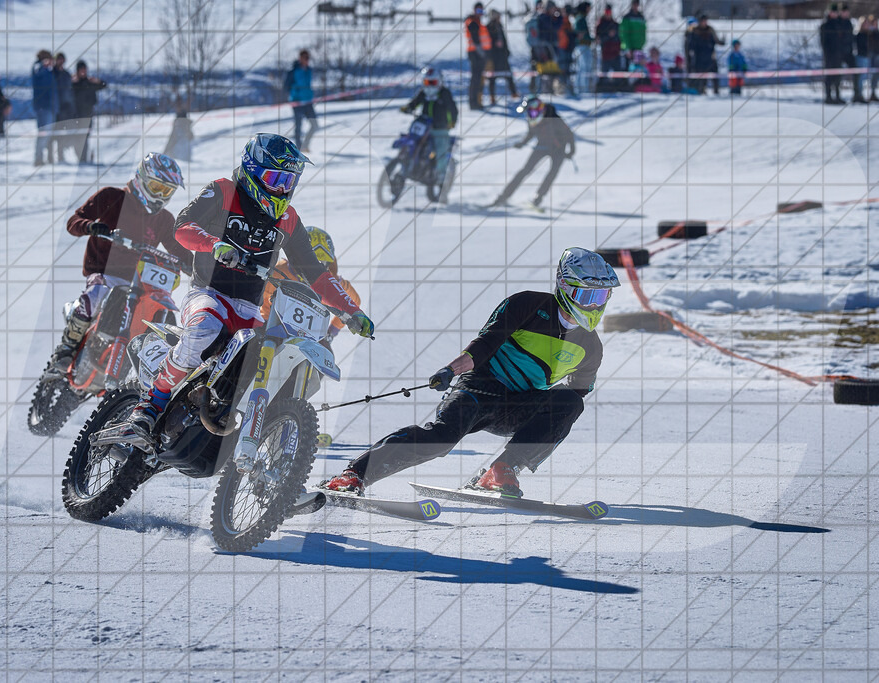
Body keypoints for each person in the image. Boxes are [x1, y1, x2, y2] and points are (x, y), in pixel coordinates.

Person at [119, 134, 374, 445]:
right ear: (253, 170)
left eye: (288, 181)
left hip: (250, 309)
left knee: (268, 355)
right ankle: (151, 404)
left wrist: (351, 310)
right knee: (204, 329)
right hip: (208, 293)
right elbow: (183, 227)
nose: (281, 189)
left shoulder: (288, 219)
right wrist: (215, 246)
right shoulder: (223, 191)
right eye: (275, 178)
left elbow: (316, 273)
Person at [321, 247, 620, 498]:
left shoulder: (591, 347)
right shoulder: (528, 304)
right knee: (440, 439)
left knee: (570, 403)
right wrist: (451, 370)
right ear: (566, 288)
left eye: (601, 297)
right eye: (587, 297)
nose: (594, 306)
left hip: (519, 407)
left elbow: (572, 400)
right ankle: (353, 475)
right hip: (480, 389)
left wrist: (545, 428)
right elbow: (484, 345)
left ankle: (501, 471)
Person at [47, 153, 191, 377]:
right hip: (105, 272)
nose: (160, 196)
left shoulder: (164, 219)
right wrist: (91, 226)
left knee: (157, 307)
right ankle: (66, 348)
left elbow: (178, 248)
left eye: (167, 191)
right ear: (141, 179)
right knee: (95, 295)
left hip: (140, 279)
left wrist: (196, 265)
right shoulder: (111, 198)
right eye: (156, 187)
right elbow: (73, 222)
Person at [259, 226, 361, 344]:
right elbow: (257, 295)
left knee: (326, 358)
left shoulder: (332, 284)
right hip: (271, 325)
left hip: (310, 335)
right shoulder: (279, 273)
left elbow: (354, 301)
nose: (313, 271)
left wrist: (332, 332)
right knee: (251, 351)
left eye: (321, 265)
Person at [490, 95, 575, 210]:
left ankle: (538, 198)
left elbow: (569, 134)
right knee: (525, 170)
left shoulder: (554, 118)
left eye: (533, 111)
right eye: (529, 111)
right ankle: (504, 196)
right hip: (542, 146)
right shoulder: (531, 119)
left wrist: (571, 151)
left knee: (552, 173)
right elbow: (531, 133)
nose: (531, 114)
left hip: (558, 149)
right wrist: (522, 143)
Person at [400, 66, 458, 194]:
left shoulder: (444, 93)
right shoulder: (423, 93)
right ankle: (406, 163)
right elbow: (415, 102)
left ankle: (441, 175)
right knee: (411, 140)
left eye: (432, 83)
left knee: (441, 150)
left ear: (439, 82)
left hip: (440, 127)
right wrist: (408, 108)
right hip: (423, 124)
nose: (429, 86)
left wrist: (452, 121)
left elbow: (452, 108)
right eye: (426, 82)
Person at [72, 60, 107, 163]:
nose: (83, 72)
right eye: (81, 70)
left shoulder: (89, 82)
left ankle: (83, 159)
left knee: (84, 137)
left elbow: (104, 85)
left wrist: (97, 81)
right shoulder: (74, 83)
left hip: (88, 114)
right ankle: (80, 157)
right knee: (76, 138)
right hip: (76, 115)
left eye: (84, 70)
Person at [284, 49, 319, 152]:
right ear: (300, 58)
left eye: (308, 58)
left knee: (314, 125)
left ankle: (305, 146)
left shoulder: (309, 70)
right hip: (297, 103)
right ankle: (299, 149)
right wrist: (295, 92)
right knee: (298, 126)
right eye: (305, 58)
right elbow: (286, 86)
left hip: (308, 102)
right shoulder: (293, 71)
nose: (307, 60)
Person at [486, 9, 519, 104]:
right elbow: (488, 42)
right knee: (492, 78)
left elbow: (504, 40)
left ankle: (514, 93)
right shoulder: (489, 27)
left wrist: (507, 51)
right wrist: (494, 45)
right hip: (494, 56)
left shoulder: (499, 26)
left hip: (503, 56)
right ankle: (492, 97)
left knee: (508, 75)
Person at [31, 50, 58, 165]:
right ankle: (38, 158)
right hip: (43, 107)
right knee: (43, 133)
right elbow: (37, 73)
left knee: (47, 134)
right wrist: (43, 65)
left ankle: (42, 157)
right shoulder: (38, 67)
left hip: (50, 107)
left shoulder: (49, 71)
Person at [465, 2, 491, 110]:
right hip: (475, 53)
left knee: (478, 78)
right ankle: (474, 103)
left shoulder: (478, 22)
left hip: (478, 53)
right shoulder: (472, 22)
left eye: (481, 11)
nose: (480, 13)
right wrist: (481, 52)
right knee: (475, 79)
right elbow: (475, 39)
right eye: (478, 11)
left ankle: (477, 102)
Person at [689, 14, 724, 95]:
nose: (704, 23)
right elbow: (691, 44)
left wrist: (721, 42)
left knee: (715, 74)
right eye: (702, 21)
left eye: (705, 21)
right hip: (699, 57)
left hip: (710, 56)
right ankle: (701, 90)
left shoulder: (710, 30)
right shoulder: (695, 31)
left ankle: (716, 90)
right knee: (701, 75)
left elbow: (716, 40)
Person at [52, 52, 76, 162]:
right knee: (52, 135)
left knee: (63, 134)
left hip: (66, 108)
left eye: (62, 59)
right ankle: (50, 157)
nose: (60, 62)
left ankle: (61, 155)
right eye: (58, 59)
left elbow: (70, 91)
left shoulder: (66, 74)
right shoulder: (51, 73)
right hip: (54, 108)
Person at [595, 4, 623, 87]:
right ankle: (603, 88)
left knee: (618, 75)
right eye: (606, 12)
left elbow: (620, 38)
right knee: (604, 75)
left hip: (615, 52)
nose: (608, 14)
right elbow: (599, 39)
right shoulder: (600, 25)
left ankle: (617, 88)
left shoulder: (615, 24)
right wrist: (608, 35)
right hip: (606, 53)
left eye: (609, 12)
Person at [573, 2, 594, 94]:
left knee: (581, 68)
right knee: (583, 68)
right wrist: (592, 39)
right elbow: (581, 34)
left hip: (581, 46)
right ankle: (582, 90)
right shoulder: (580, 19)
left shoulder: (580, 18)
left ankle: (580, 89)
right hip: (582, 46)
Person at [618, 0, 646, 66]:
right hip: (628, 49)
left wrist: (642, 43)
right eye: (634, 4)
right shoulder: (626, 17)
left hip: (639, 48)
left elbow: (643, 32)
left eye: (637, 4)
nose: (635, 6)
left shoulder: (641, 17)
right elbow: (623, 34)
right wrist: (627, 48)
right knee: (627, 70)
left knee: (639, 70)